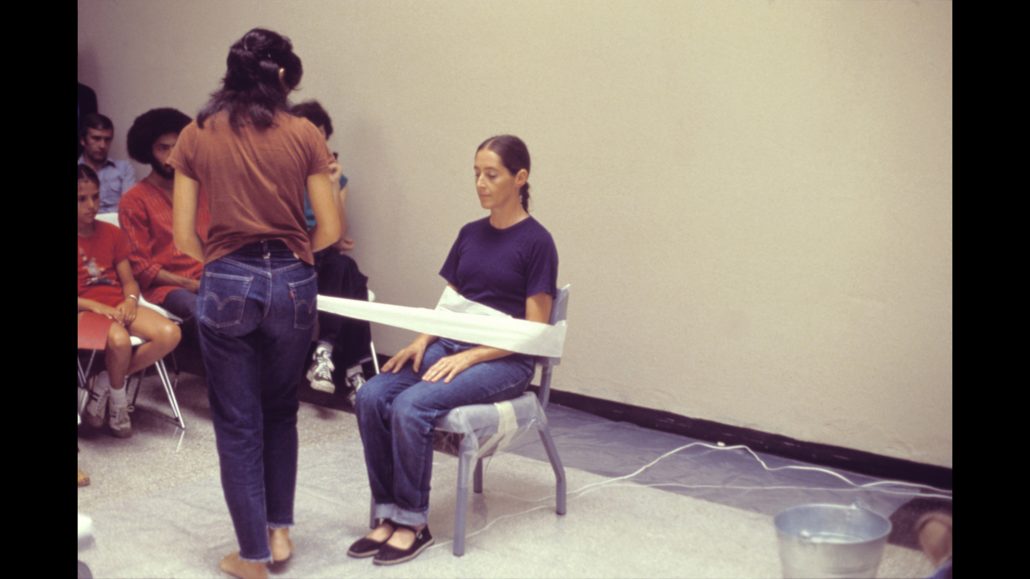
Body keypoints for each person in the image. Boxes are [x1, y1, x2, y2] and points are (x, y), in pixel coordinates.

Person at [169, 28, 340, 579]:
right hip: (293, 280)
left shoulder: (196, 134)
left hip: (227, 278)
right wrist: (292, 259)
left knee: (238, 423)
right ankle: (279, 532)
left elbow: (183, 236)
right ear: (284, 77)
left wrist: (223, 264)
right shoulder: (305, 134)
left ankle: (252, 557)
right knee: (281, 409)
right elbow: (330, 227)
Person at [349, 135, 558, 566]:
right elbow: (450, 305)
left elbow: (535, 330)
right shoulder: (469, 234)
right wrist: (422, 339)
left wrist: (471, 355)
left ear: (520, 178)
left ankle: (413, 523)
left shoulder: (538, 243)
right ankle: (387, 512)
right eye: (476, 173)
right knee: (370, 395)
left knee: (411, 405)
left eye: (492, 174)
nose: (480, 183)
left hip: (505, 360)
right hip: (450, 345)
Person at [78, 164, 182, 438]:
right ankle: (118, 405)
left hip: (117, 305)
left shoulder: (111, 233)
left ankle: (103, 382)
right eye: (82, 199)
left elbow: (129, 282)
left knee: (170, 333)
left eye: (95, 197)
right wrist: (97, 307)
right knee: (120, 340)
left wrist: (131, 300)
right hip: (85, 310)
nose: (92, 205)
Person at [289, 100, 372, 398]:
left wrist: (333, 185)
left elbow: (338, 234)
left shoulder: (336, 178)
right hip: (292, 258)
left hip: (323, 258)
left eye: (321, 136)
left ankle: (325, 351)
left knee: (344, 267)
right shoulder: (284, 174)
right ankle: (353, 369)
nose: (317, 143)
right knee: (351, 276)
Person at [119, 107, 210, 326]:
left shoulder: (202, 190)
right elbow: (140, 267)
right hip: (169, 288)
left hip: (211, 278)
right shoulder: (134, 200)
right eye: (163, 148)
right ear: (148, 151)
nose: (172, 156)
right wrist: (189, 284)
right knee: (205, 312)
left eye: (177, 147)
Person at [78, 113, 137, 213]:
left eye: (107, 139)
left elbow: (129, 206)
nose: (102, 145)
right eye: (96, 138)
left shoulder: (124, 169)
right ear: (83, 140)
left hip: (117, 221)